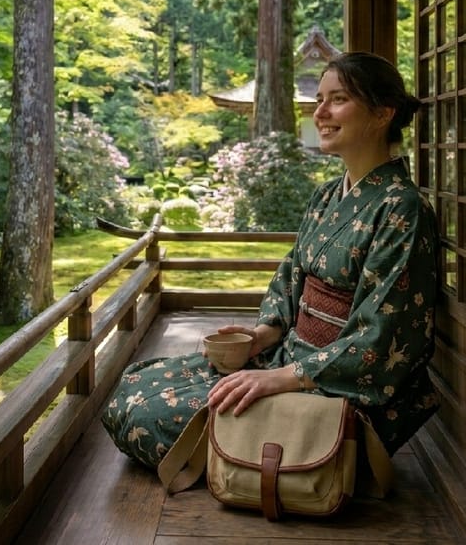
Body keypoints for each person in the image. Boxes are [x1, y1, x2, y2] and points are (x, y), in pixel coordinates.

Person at [101, 52, 440, 469]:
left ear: (383, 113)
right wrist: (263, 335)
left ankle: (284, 457)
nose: (320, 113)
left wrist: (277, 380)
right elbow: (291, 276)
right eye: (320, 99)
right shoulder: (326, 196)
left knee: (145, 414)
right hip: (289, 360)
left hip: (338, 388)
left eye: (338, 99)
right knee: (135, 382)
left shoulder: (403, 209)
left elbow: (383, 337)